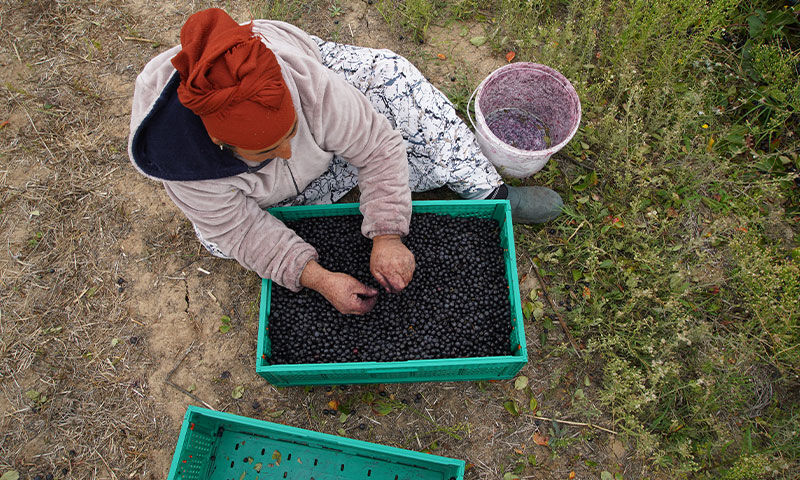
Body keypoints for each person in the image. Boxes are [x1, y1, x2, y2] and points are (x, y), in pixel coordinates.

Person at [127, 8, 563, 315]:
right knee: (221, 240)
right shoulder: (184, 167)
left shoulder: (308, 86)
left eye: (288, 135)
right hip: (248, 190)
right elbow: (239, 228)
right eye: (265, 152)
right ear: (219, 139)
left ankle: (488, 189)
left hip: (321, 83)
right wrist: (317, 277)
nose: (283, 153)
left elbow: (377, 147)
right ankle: (365, 188)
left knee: (397, 84)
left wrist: (388, 235)